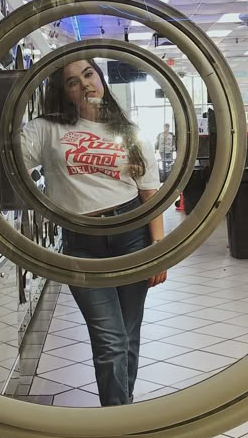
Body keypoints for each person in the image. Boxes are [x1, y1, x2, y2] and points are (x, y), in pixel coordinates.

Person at [20, 58, 167, 407]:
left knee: (129, 334)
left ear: (100, 78)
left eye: (88, 74)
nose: (85, 84)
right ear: (65, 93)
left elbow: (149, 193)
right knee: (110, 339)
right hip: (81, 242)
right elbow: (5, 163)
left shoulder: (129, 132)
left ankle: (122, 409)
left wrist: (160, 247)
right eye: (72, 82)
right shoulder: (46, 129)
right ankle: (116, 422)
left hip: (132, 233)